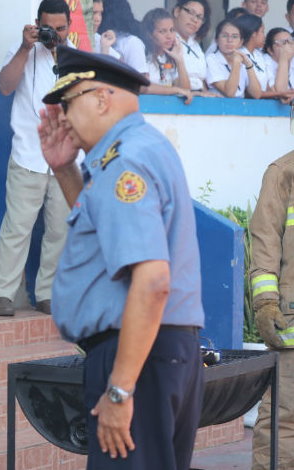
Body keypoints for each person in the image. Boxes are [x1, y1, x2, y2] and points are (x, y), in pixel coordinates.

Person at [38, 46, 205, 470]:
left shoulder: (123, 161)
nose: (63, 118)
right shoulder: (141, 146)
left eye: (68, 103)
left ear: (101, 98)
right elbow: (105, 240)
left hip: (136, 354)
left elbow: (152, 280)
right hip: (158, 349)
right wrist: (64, 170)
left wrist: (119, 391)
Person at [0, 0, 71, 316]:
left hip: (66, 160)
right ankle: (3, 294)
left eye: (61, 28)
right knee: (18, 227)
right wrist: (26, 47)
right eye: (50, 28)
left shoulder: (77, 57)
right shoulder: (23, 49)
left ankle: (47, 294)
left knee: (59, 231)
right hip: (29, 155)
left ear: (69, 26)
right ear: (38, 24)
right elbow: (5, 87)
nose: (55, 34)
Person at [249, 150, 294, 470]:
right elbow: (265, 242)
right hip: (291, 320)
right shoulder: (283, 173)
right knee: (283, 420)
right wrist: (266, 302)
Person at [140, 8, 193, 102]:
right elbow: (142, 87)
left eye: (172, 30)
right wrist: (175, 90)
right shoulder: (142, 55)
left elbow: (185, 90)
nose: (169, 36)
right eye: (162, 31)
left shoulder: (171, 57)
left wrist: (179, 60)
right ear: (149, 34)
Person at [206, 18, 263, 98]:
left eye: (235, 36)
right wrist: (236, 63)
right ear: (216, 40)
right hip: (217, 107)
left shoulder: (242, 59)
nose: (230, 40)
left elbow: (256, 94)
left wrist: (249, 65)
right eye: (225, 36)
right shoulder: (211, 59)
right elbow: (230, 93)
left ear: (241, 42)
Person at [98, 0, 148, 75]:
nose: (98, 18)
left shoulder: (132, 42)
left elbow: (142, 76)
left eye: (101, 13)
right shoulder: (97, 38)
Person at [171, 0, 210, 92]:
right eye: (191, 13)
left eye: (199, 17)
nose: (195, 20)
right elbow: (169, 81)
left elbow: (201, 80)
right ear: (177, 11)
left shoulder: (195, 45)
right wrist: (197, 94)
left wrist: (207, 96)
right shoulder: (168, 40)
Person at [235, 14, 271, 95]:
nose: (264, 36)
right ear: (253, 33)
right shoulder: (239, 54)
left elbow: (267, 86)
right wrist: (281, 94)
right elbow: (249, 92)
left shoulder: (258, 54)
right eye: (262, 32)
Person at [262, 28, 294, 101]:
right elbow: (280, 92)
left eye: (290, 41)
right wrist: (284, 59)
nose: (287, 46)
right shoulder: (264, 62)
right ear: (270, 50)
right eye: (282, 43)